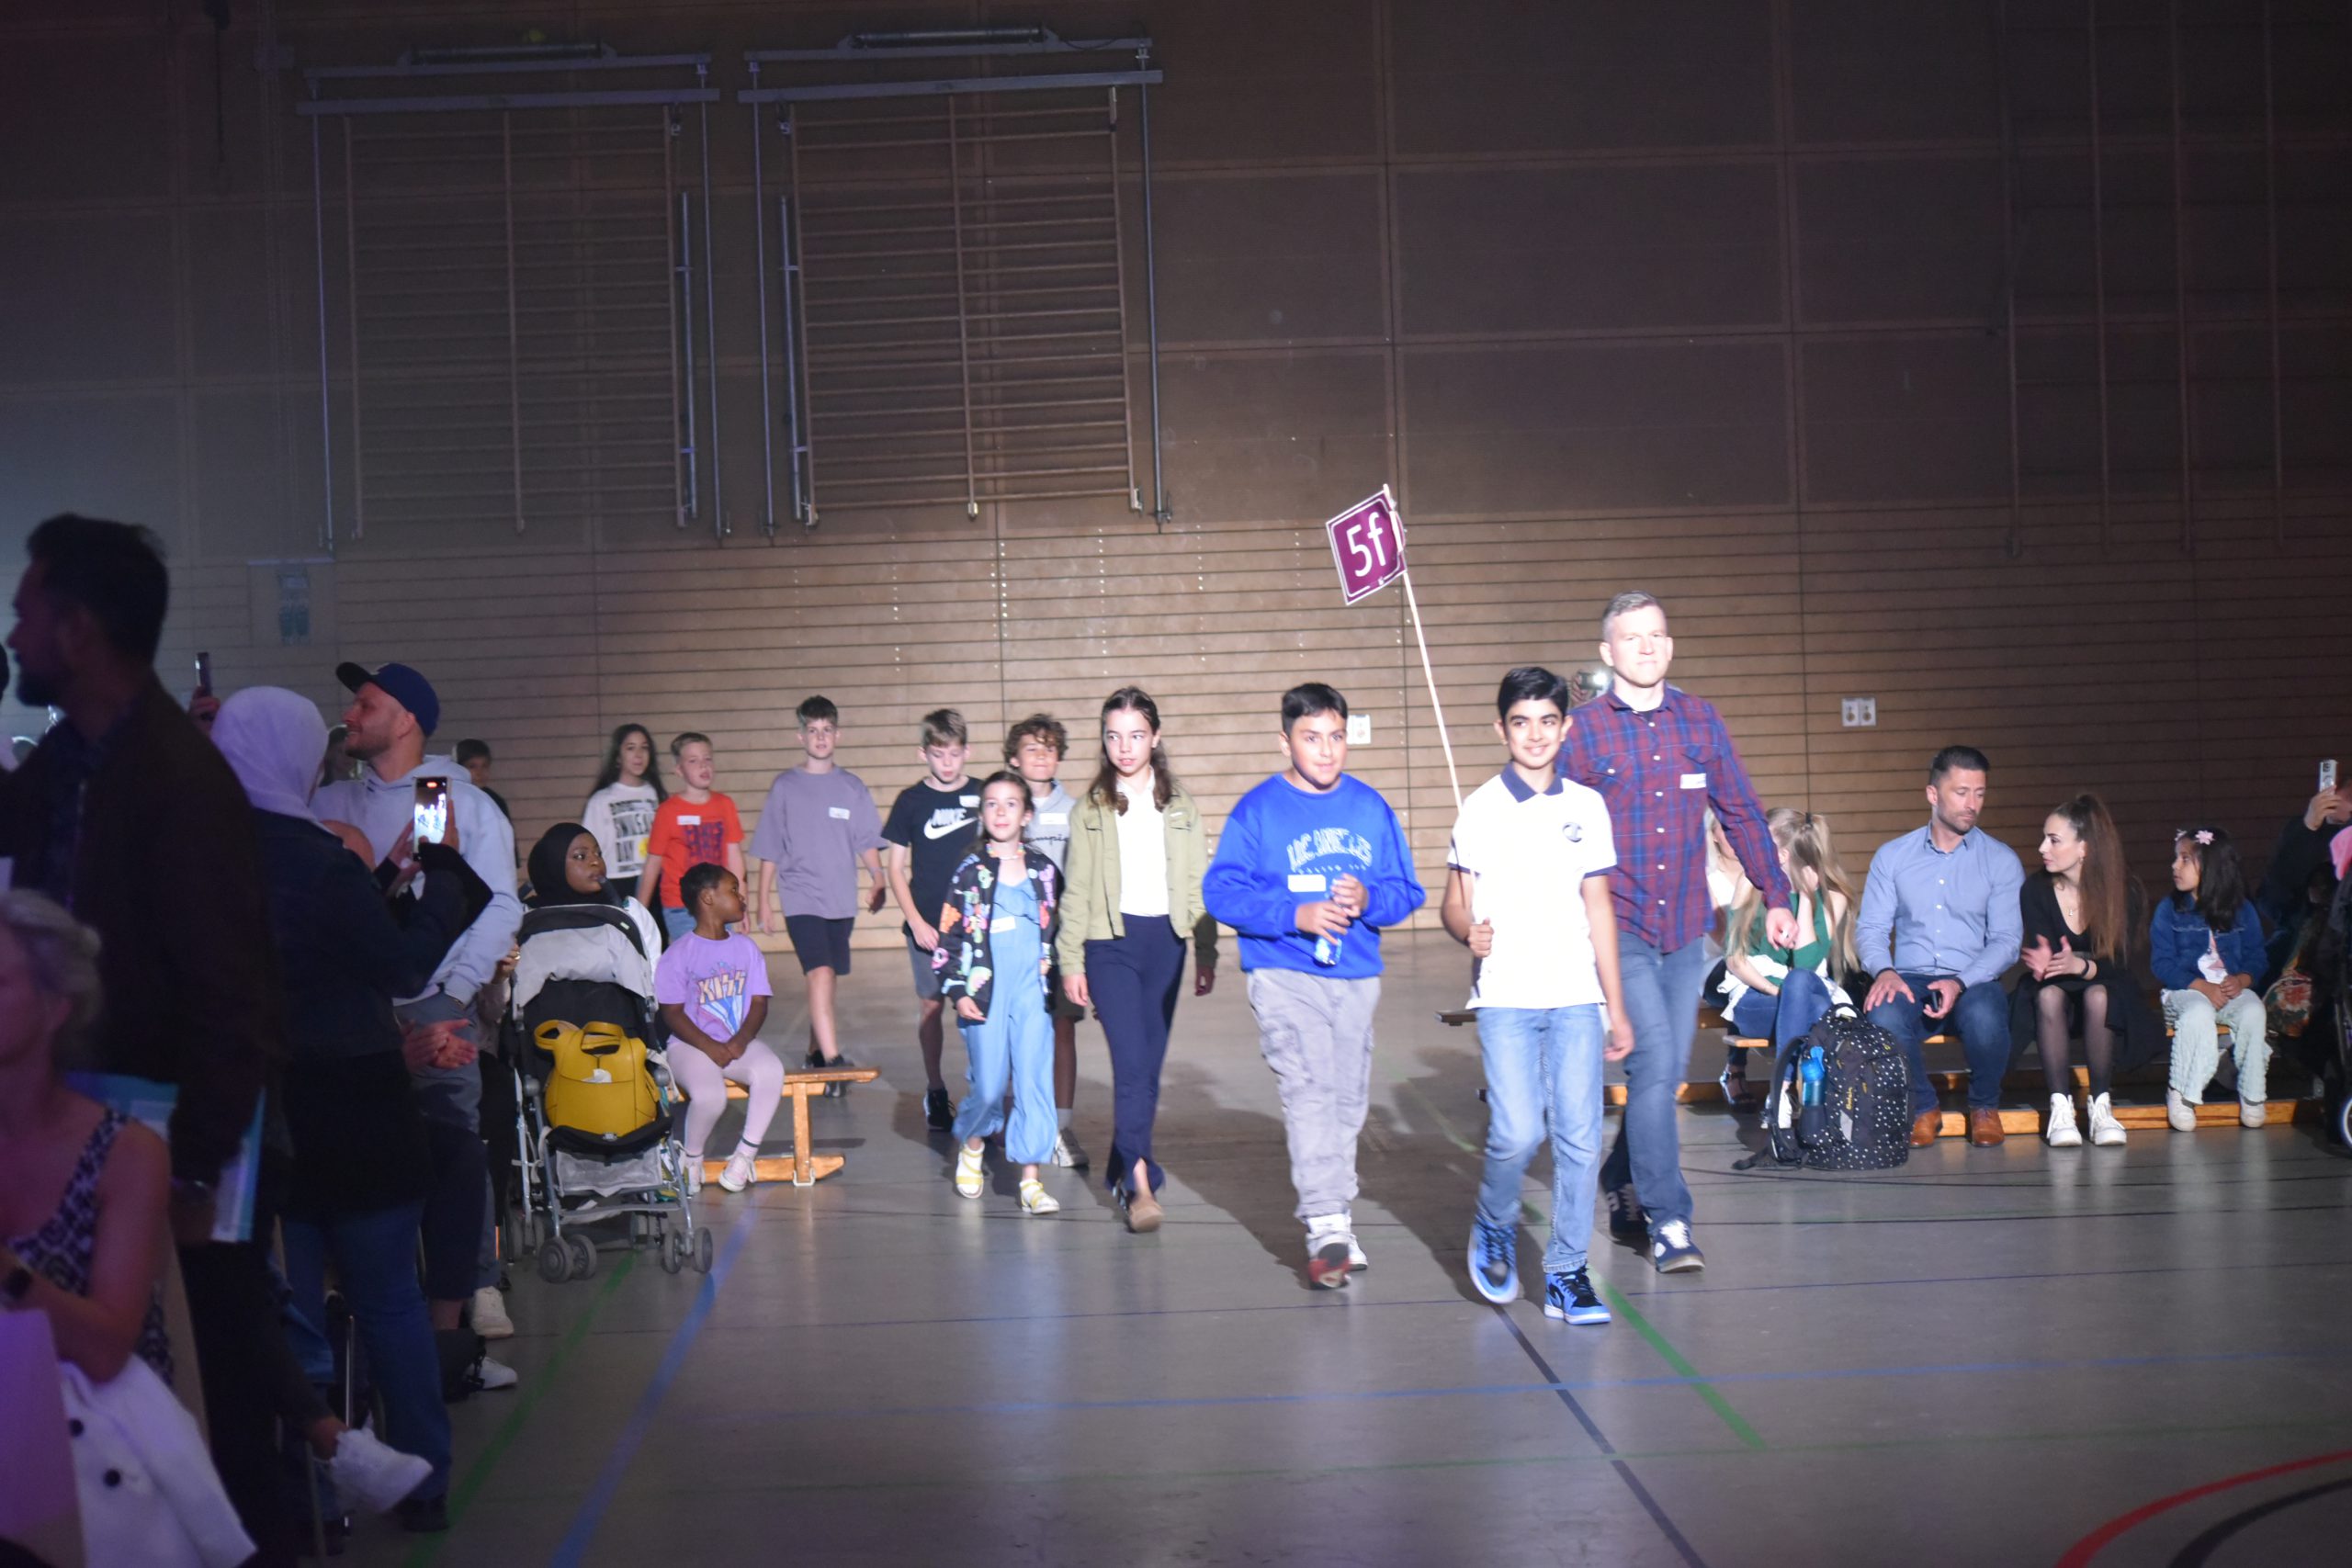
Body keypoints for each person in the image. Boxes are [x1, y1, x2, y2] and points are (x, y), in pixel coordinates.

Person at [0, 514, 295, 1561]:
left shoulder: (177, 779)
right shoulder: (66, 769)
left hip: (166, 1153)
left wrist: (192, 1173)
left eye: (27, 612)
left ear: (78, 629)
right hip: (82, 1131)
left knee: (204, 1409)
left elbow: (230, 998)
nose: (14, 634)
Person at [212, 688, 476, 1528]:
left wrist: (385, 880)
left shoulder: (205, 855)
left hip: (263, 1104)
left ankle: (315, 1493)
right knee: (389, 1300)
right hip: (358, 1102)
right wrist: (442, 880)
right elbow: (398, 966)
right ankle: (422, 1483)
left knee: (293, 1308)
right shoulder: (320, 859)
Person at [0, 890, 259, 1568]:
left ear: (55, 1006)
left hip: (86, 1450)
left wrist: (9, 1275)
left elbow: (108, 1346)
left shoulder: (124, 1152)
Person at [1555, 592, 1791, 1274]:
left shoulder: (1700, 720)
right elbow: (1551, 830)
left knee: (1659, 1075)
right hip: (1617, 925)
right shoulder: (1584, 732)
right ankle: (1670, 1219)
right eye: (1632, 637)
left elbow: (1741, 811)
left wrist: (1776, 895)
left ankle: (1620, 1174)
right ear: (1608, 653)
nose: (1646, 647)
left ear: (1670, 644)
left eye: (1656, 635)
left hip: (1685, 930)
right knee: (1655, 1065)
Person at [312, 660, 524, 1387]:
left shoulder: (461, 802)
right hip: (353, 1006)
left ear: (407, 719)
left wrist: (455, 989)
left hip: (433, 997)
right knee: (365, 1153)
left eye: (367, 703)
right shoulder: (331, 798)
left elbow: (498, 901)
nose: (351, 713)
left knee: (453, 1143)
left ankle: (473, 1287)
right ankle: (377, 1304)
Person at [1204, 682, 1423, 1288]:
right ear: (1286, 741)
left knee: (1346, 1099)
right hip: (1283, 972)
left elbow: (1406, 890)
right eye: (1311, 738)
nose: (1325, 750)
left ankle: (1338, 1219)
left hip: (1354, 975)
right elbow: (1221, 892)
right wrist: (1293, 913)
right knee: (1309, 1091)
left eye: (1335, 737)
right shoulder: (1257, 810)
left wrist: (1369, 898)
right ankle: (1325, 1224)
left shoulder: (1371, 808)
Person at [1441, 667, 1634, 1324]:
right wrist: (1467, 930)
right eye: (1521, 722)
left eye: (1547, 721)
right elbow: (1454, 904)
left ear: (1565, 727)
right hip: (1506, 998)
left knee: (1581, 1137)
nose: (1535, 734)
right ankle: (1494, 1222)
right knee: (1518, 1130)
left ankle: (1566, 1272)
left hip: (1576, 994)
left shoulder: (1587, 807)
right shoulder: (1479, 808)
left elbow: (1599, 907)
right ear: (1502, 729)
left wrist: (1615, 1005)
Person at [1056, 690, 1218, 1233]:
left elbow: (1196, 883)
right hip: (1110, 945)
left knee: (1146, 1069)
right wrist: (1071, 960)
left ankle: (1124, 1164)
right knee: (1130, 1065)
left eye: (1136, 735)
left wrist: (1205, 949)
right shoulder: (1089, 810)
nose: (1124, 747)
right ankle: (1140, 1185)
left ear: (1155, 737)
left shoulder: (1182, 806)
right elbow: (1076, 890)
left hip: (1166, 944)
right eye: (1113, 735)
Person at [1858, 746, 2025, 1149]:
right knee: (1882, 1013)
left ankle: (1984, 1107)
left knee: (1986, 1016)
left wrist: (1959, 982)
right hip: (1909, 977)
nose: (1972, 805)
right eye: (1961, 792)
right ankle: (1923, 1108)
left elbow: (2006, 941)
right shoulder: (1893, 857)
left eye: (1980, 793)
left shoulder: (2001, 860)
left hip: (1973, 978)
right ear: (1933, 794)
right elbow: (1871, 929)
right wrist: (1885, 971)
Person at [936, 771, 1065, 1216]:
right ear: (982, 813)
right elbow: (949, 935)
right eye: (992, 803)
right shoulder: (969, 872)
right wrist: (957, 989)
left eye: (1011, 803)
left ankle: (1031, 1180)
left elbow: (1060, 930)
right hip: (984, 993)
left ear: (1026, 814)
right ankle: (973, 1145)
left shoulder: (1045, 871)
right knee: (989, 1085)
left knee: (1033, 1081)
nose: (1001, 811)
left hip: (1033, 990)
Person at [746, 696, 887, 1084]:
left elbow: (865, 840)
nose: (820, 737)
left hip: (840, 899)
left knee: (825, 980)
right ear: (801, 736)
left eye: (827, 730)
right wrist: (763, 902)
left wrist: (878, 877)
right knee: (820, 972)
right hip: (801, 897)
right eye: (813, 730)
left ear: (837, 735)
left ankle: (815, 1054)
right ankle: (834, 1061)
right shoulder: (786, 787)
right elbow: (771, 846)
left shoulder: (851, 787)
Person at [2011, 795, 2161, 1148]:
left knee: (2098, 995)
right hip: (2057, 987)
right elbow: (2045, 952)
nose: (2042, 848)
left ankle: (2101, 1105)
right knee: (2048, 996)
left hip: (2108, 983)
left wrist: (2083, 966)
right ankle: (2060, 1107)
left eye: (2054, 840)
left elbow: (2122, 962)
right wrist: (2045, 962)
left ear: (2084, 848)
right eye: (2044, 838)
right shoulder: (2036, 889)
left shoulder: (2125, 890)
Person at [655, 863, 783, 1194]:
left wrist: (741, 1041)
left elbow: (759, 1003)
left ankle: (744, 1156)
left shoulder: (746, 948)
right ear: (708, 897)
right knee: (711, 1097)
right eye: (734, 890)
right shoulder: (678, 954)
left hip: (735, 1042)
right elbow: (671, 1013)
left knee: (771, 1070)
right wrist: (709, 1046)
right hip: (689, 1046)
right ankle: (691, 1159)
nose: (742, 897)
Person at [882, 709, 979, 1131]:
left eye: (954, 754)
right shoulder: (911, 801)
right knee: (931, 1005)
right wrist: (917, 922)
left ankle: (982, 1089)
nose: (947, 763)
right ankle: (936, 1088)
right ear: (923, 754)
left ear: (967, 752)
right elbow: (895, 869)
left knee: (977, 1007)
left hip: (973, 927)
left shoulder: (982, 794)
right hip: (927, 926)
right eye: (939, 754)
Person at [1007, 714, 1090, 1169]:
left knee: (1062, 1029)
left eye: (1049, 748)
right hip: (1014, 944)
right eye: (1031, 748)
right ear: (1014, 758)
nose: (1041, 756)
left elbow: (1084, 878)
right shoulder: (1002, 806)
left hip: (1060, 942)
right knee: (1015, 1032)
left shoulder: (1076, 811)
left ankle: (1061, 1127)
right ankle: (1018, 1118)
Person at [1716, 807, 1860, 1067]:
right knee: (1817, 1013)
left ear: (1782, 855)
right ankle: (1796, 1086)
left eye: (1761, 842)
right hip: (1757, 993)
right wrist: (1778, 992)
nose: (1753, 848)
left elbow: (1804, 966)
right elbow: (1735, 960)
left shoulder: (1833, 898)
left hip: (1807, 989)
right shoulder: (1749, 884)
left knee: (1809, 997)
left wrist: (1806, 897)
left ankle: (1785, 1085)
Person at [2152, 825, 2270, 1130]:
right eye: (2176, 858)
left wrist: (2242, 980)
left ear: (2211, 866)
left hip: (2228, 990)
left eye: (2184, 859)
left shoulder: (2242, 909)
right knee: (2198, 1012)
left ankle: (2253, 1092)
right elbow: (2162, 963)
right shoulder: (2169, 910)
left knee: (2253, 1010)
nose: (2175, 866)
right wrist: (2201, 986)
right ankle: (2182, 1092)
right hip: (2185, 991)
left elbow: (2257, 957)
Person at [637, 732, 745, 945]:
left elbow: (735, 858)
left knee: (721, 958)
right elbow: (653, 862)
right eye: (693, 761)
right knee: (694, 958)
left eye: (707, 759)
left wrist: (742, 903)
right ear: (679, 770)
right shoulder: (668, 811)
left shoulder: (724, 805)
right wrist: (639, 911)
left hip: (720, 901)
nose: (703, 765)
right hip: (681, 906)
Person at [526, 821, 663, 968]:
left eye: (598, 854)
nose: (595, 861)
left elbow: (651, 968)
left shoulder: (628, 910)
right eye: (581, 856)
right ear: (554, 864)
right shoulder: (527, 915)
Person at [582, 722, 667, 894]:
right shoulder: (601, 800)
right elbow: (589, 848)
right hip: (616, 882)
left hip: (655, 881)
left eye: (644, 748)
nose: (639, 755)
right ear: (618, 757)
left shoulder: (656, 794)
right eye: (630, 748)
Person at [454, 738, 510, 821]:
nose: (480, 772)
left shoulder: (495, 801)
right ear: (458, 768)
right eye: (472, 766)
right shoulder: (451, 799)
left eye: (484, 766)